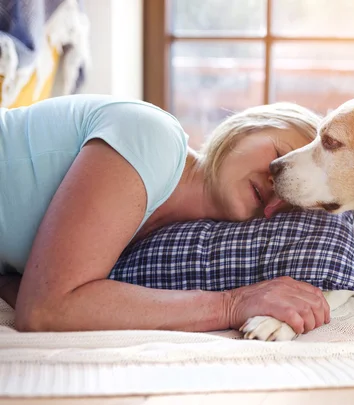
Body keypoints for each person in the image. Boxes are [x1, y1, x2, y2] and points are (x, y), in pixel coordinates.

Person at [0, 94, 330, 334]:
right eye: (279, 157)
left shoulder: (156, 235)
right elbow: (45, 309)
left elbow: (37, 290)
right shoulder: (154, 138)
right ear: (246, 129)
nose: (274, 188)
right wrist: (233, 304)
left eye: (288, 197)